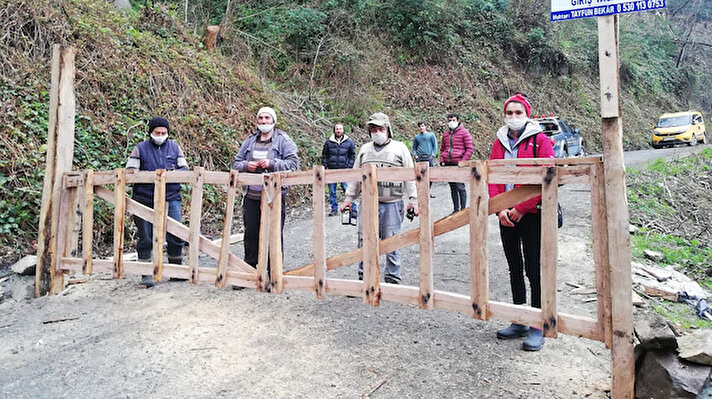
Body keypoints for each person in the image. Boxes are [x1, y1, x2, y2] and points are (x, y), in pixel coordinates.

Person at [488, 93, 555, 351]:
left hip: (532, 214)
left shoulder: (540, 140)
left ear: (527, 114)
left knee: (534, 269)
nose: (513, 117)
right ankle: (519, 319)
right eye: (509, 113)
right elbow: (492, 175)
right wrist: (500, 208)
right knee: (514, 267)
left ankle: (538, 324)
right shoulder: (500, 141)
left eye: (518, 113)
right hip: (505, 214)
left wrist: (521, 207)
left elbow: (547, 178)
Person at [339, 112, 418, 284]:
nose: (377, 132)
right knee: (364, 238)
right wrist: (349, 199)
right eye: (373, 129)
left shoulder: (400, 148)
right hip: (367, 203)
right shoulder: (365, 150)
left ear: (388, 130)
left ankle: (392, 277)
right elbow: (356, 176)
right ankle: (365, 276)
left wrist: (413, 200)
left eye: (380, 128)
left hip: (392, 202)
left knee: (392, 239)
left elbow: (410, 175)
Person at [232, 106, 300, 271]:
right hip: (251, 195)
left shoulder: (283, 140)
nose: (263, 121)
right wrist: (247, 165)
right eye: (261, 118)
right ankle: (249, 268)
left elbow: (294, 164)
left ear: (273, 121)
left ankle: (273, 270)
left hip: (274, 196)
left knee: (274, 233)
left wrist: (272, 164)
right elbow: (235, 163)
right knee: (251, 233)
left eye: (267, 118)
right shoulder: (249, 141)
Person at [126, 117, 189, 288]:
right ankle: (146, 273)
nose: (161, 135)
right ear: (151, 133)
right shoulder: (140, 148)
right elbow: (130, 171)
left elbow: (185, 169)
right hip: (144, 198)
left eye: (164, 133)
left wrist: (173, 173)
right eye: (157, 133)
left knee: (176, 233)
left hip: (171, 196)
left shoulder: (175, 148)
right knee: (145, 236)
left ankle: (176, 268)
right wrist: (150, 175)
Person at [439, 113, 473, 213]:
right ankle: (456, 209)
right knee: (453, 187)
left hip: (459, 164)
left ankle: (463, 210)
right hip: (448, 164)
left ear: (458, 121)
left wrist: (463, 162)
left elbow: (470, 149)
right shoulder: (446, 134)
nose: (451, 122)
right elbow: (442, 149)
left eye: (453, 120)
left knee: (460, 187)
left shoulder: (464, 133)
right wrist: (442, 159)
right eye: (449, 120)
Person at [321, 122, 356, 216]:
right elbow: (324, 155)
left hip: (344, 170)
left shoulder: (349, 142)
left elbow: (352, 155)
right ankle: (334, 209)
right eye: (337, 129)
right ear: (334, 130)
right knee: (332, 191)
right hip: (331, 170)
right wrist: (325, 166)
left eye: (340, 128)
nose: (338, 130)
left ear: (343, 130)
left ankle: (353, 208)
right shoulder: (328, 142)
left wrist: (349, 166)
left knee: (348, 190)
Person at [412, 121, 438, 198]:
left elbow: (435, 145)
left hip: (429, 157)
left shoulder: (431, 135)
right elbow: (414, 148)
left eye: (422, 126)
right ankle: (421, 192)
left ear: (425, 126)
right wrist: (415, 155)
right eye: (420, 126)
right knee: (420, 176)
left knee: (430, 175)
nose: (421, 128)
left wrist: (433, 154)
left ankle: (428, 191)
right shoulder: (417, 137)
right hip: (420, 158)